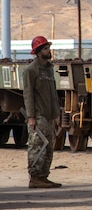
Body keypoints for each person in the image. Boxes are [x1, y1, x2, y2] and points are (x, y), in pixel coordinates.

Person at [22, 35, 62, 189]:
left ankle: (43, 176)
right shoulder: (31, 70)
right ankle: (35, 177)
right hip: (39, 116)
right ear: (38, 52)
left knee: (49, 146)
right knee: (37, 146)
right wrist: (31, 116)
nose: (48, 51)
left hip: (50, 115)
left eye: (48, 48)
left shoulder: (49, 69)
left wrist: (56, 113)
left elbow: (53, 94)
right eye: (45, 48)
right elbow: (28, 95)